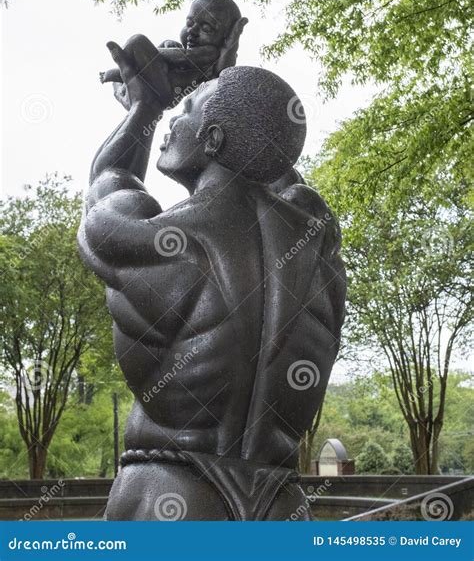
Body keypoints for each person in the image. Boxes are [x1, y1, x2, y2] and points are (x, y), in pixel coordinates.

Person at [78, 40, 346, 521]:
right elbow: (278, 168)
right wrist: (231, 88)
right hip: (283, 506)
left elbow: (108, 178)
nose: (172, 124)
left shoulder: (154, 237)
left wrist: (146, 105)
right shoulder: (318, 246)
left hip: (172, 497)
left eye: (185, 112)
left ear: (214, 139)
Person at [100, 0, 247, 107]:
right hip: (156, 88)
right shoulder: (181, 50)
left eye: (206, 29)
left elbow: (185, 57)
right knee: (146, 47)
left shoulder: (209, 53)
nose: (192, 31)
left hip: (165, 92)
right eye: (189, 23)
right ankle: (121, 77)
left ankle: (118, 72)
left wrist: (146, 54)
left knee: (137, 42)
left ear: (225, 38)